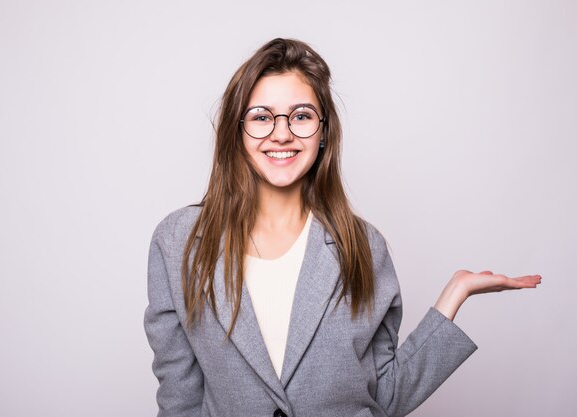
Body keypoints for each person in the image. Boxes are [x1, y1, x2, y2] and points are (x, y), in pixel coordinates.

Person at [144, 38, 541, 417]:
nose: (281, 133)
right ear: (237, 131)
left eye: (301, 116)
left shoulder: (363, 246)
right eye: (262, 117)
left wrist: (453, 296)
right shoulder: (178, 243)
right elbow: (179, 400)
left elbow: (386, 395)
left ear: (323, 133)